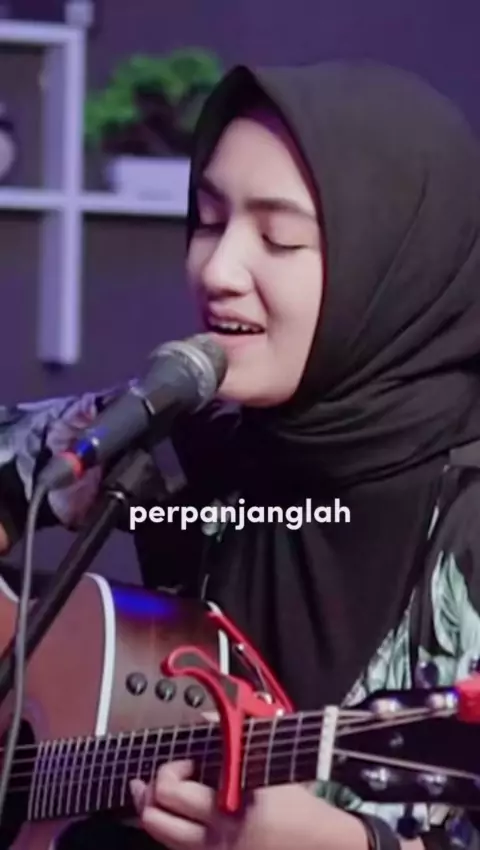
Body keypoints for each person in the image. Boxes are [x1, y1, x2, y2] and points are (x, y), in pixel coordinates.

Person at [3, 58, 480, 850]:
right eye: (206, 221)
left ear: (397, 264)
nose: (218, 271)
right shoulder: (181, 439)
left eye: (279, 238)